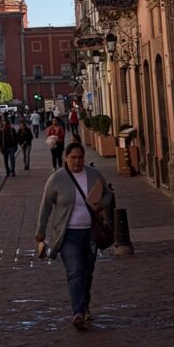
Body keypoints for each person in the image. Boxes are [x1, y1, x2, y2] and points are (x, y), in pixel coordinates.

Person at [35, 141, 113, 331]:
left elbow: (108, 195)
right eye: (73, 158)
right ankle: (77, 312)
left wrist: (101, 204)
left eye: (80, 157)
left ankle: (84, 304)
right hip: (68, 234)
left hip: (90, 233)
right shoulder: (57, 179)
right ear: (66, 158)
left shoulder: (93, 175)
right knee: (75, 271)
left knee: (87, 272)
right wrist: (40, 233)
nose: (77, 161)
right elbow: (45, 206)